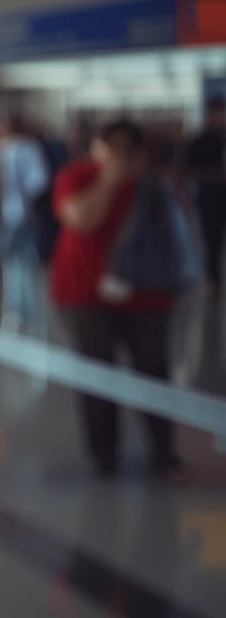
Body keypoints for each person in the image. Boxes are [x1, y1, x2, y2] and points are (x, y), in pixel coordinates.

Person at [51, 120, 186, 480]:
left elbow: (175, 237)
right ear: (97, 148)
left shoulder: (154, 188)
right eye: (112, 147)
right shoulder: (76, 176)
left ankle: (164, 452)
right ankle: (104, 453)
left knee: (153, 371)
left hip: (147, 297)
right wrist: (110, 180)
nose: (120, 156)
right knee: (98, 373)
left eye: (128, 149)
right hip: (85, 295)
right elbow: (80, 219)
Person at [0, 115, 51, 333]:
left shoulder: (7, 149)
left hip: (12, 215)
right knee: (21, 267)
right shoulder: (27, 148)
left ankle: (17, 314)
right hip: (18, 214)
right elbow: (39, 182)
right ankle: (22, 314)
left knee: (15, 267)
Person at [185, 98, 226, 294]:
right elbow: (189, 170)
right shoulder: (200, 142)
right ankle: (213, 279)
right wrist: (213, 176)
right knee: (212, 239)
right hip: (210, 196)